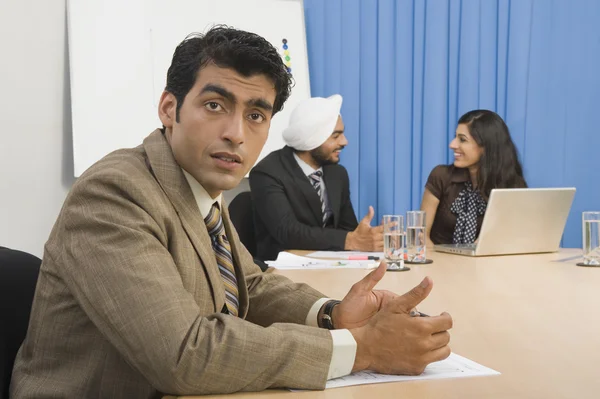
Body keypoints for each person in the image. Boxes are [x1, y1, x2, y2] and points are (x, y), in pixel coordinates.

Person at [11, 27, 452, 398]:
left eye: (256, 114)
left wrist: (331, 314)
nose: (236, 134)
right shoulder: (114, 195)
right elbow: (185, 354)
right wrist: (360, 348)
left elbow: (250, 287)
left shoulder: (199, 188)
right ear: (170, 108)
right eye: (215, 105)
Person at [249, 94, 383, 261]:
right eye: (336, 136)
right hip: (283, 270)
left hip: (331, 266)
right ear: (311, 139)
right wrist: (350, 240)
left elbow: (348, 229)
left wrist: (366, 237)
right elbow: (287, 231)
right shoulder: (267, 172)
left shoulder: (338, 174)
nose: (345, 141)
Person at [421, 109, 527, 245]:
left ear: (486, 147)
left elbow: (513, 241)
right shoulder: (441, 175)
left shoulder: (512, 186)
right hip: (438, 261)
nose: (452, 144)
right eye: (455, 137)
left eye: (462, 140)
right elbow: (421, 236)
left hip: (486, 264)